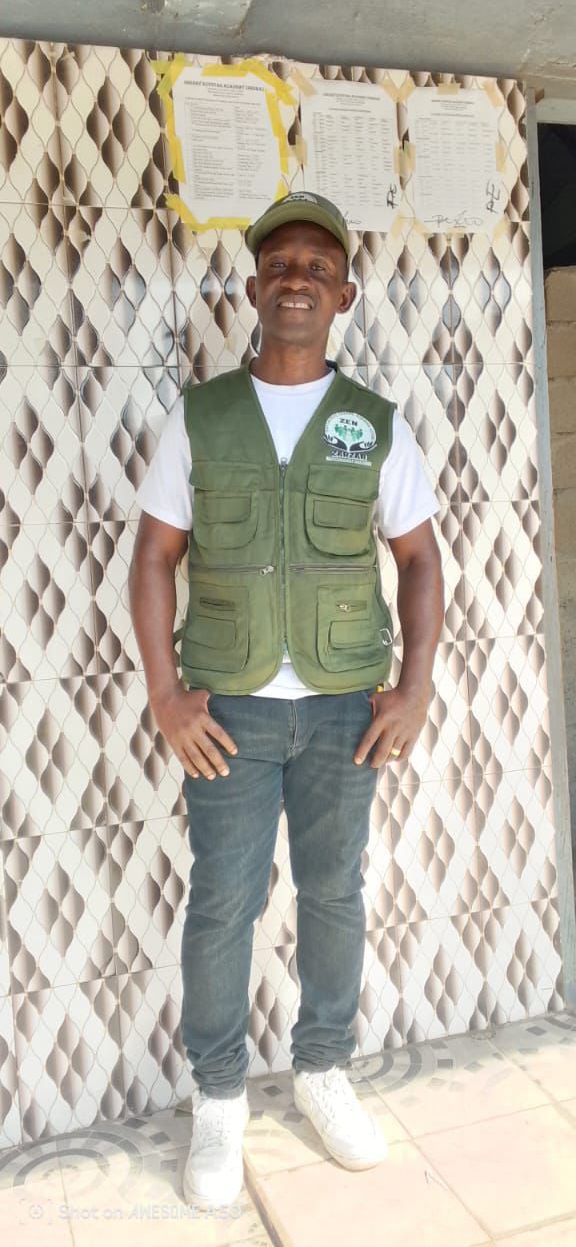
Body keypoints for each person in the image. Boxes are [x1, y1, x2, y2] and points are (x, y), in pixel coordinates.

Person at [129, 191, 444, 1209]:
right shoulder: (202, 417)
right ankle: (219, 1096)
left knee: (335, 890)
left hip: (347, 707)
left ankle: (323, 1069)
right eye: (279, 264)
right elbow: (154, 555)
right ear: (253, 286)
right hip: (229, 711)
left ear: (344, 294)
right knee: (224, 898)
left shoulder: (374, 424)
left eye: (317, 266)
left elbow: (420, 559)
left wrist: (414, 688)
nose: (296, 277)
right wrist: (166, 693)